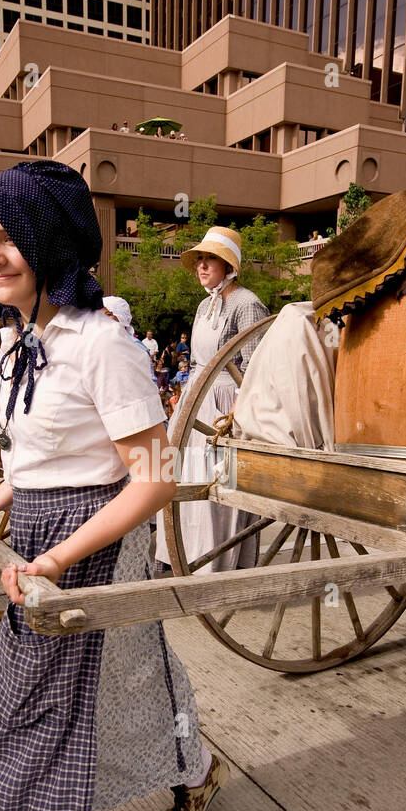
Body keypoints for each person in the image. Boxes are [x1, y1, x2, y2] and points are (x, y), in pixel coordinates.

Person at [0, 159, 225, 811]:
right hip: (43, 544)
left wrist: (56, 559)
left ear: (48, 238)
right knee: (129, 681)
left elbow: (154, 481)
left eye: (8, 236)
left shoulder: (101, 343)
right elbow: (36, 458)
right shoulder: (23, 341)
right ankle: (196, 770)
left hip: (88, 548)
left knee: (15, 710)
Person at [153, 226, 269, 574]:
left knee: (218, 479)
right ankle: (182, 554)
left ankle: (217, 563)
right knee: (186, 474)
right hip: (196, 396)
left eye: (211, 260)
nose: (202, 267)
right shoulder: (205, 305)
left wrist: (237, 411)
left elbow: (254, 365)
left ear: (228, 265)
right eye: (200, 260)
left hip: (225, 401)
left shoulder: (247, 303)